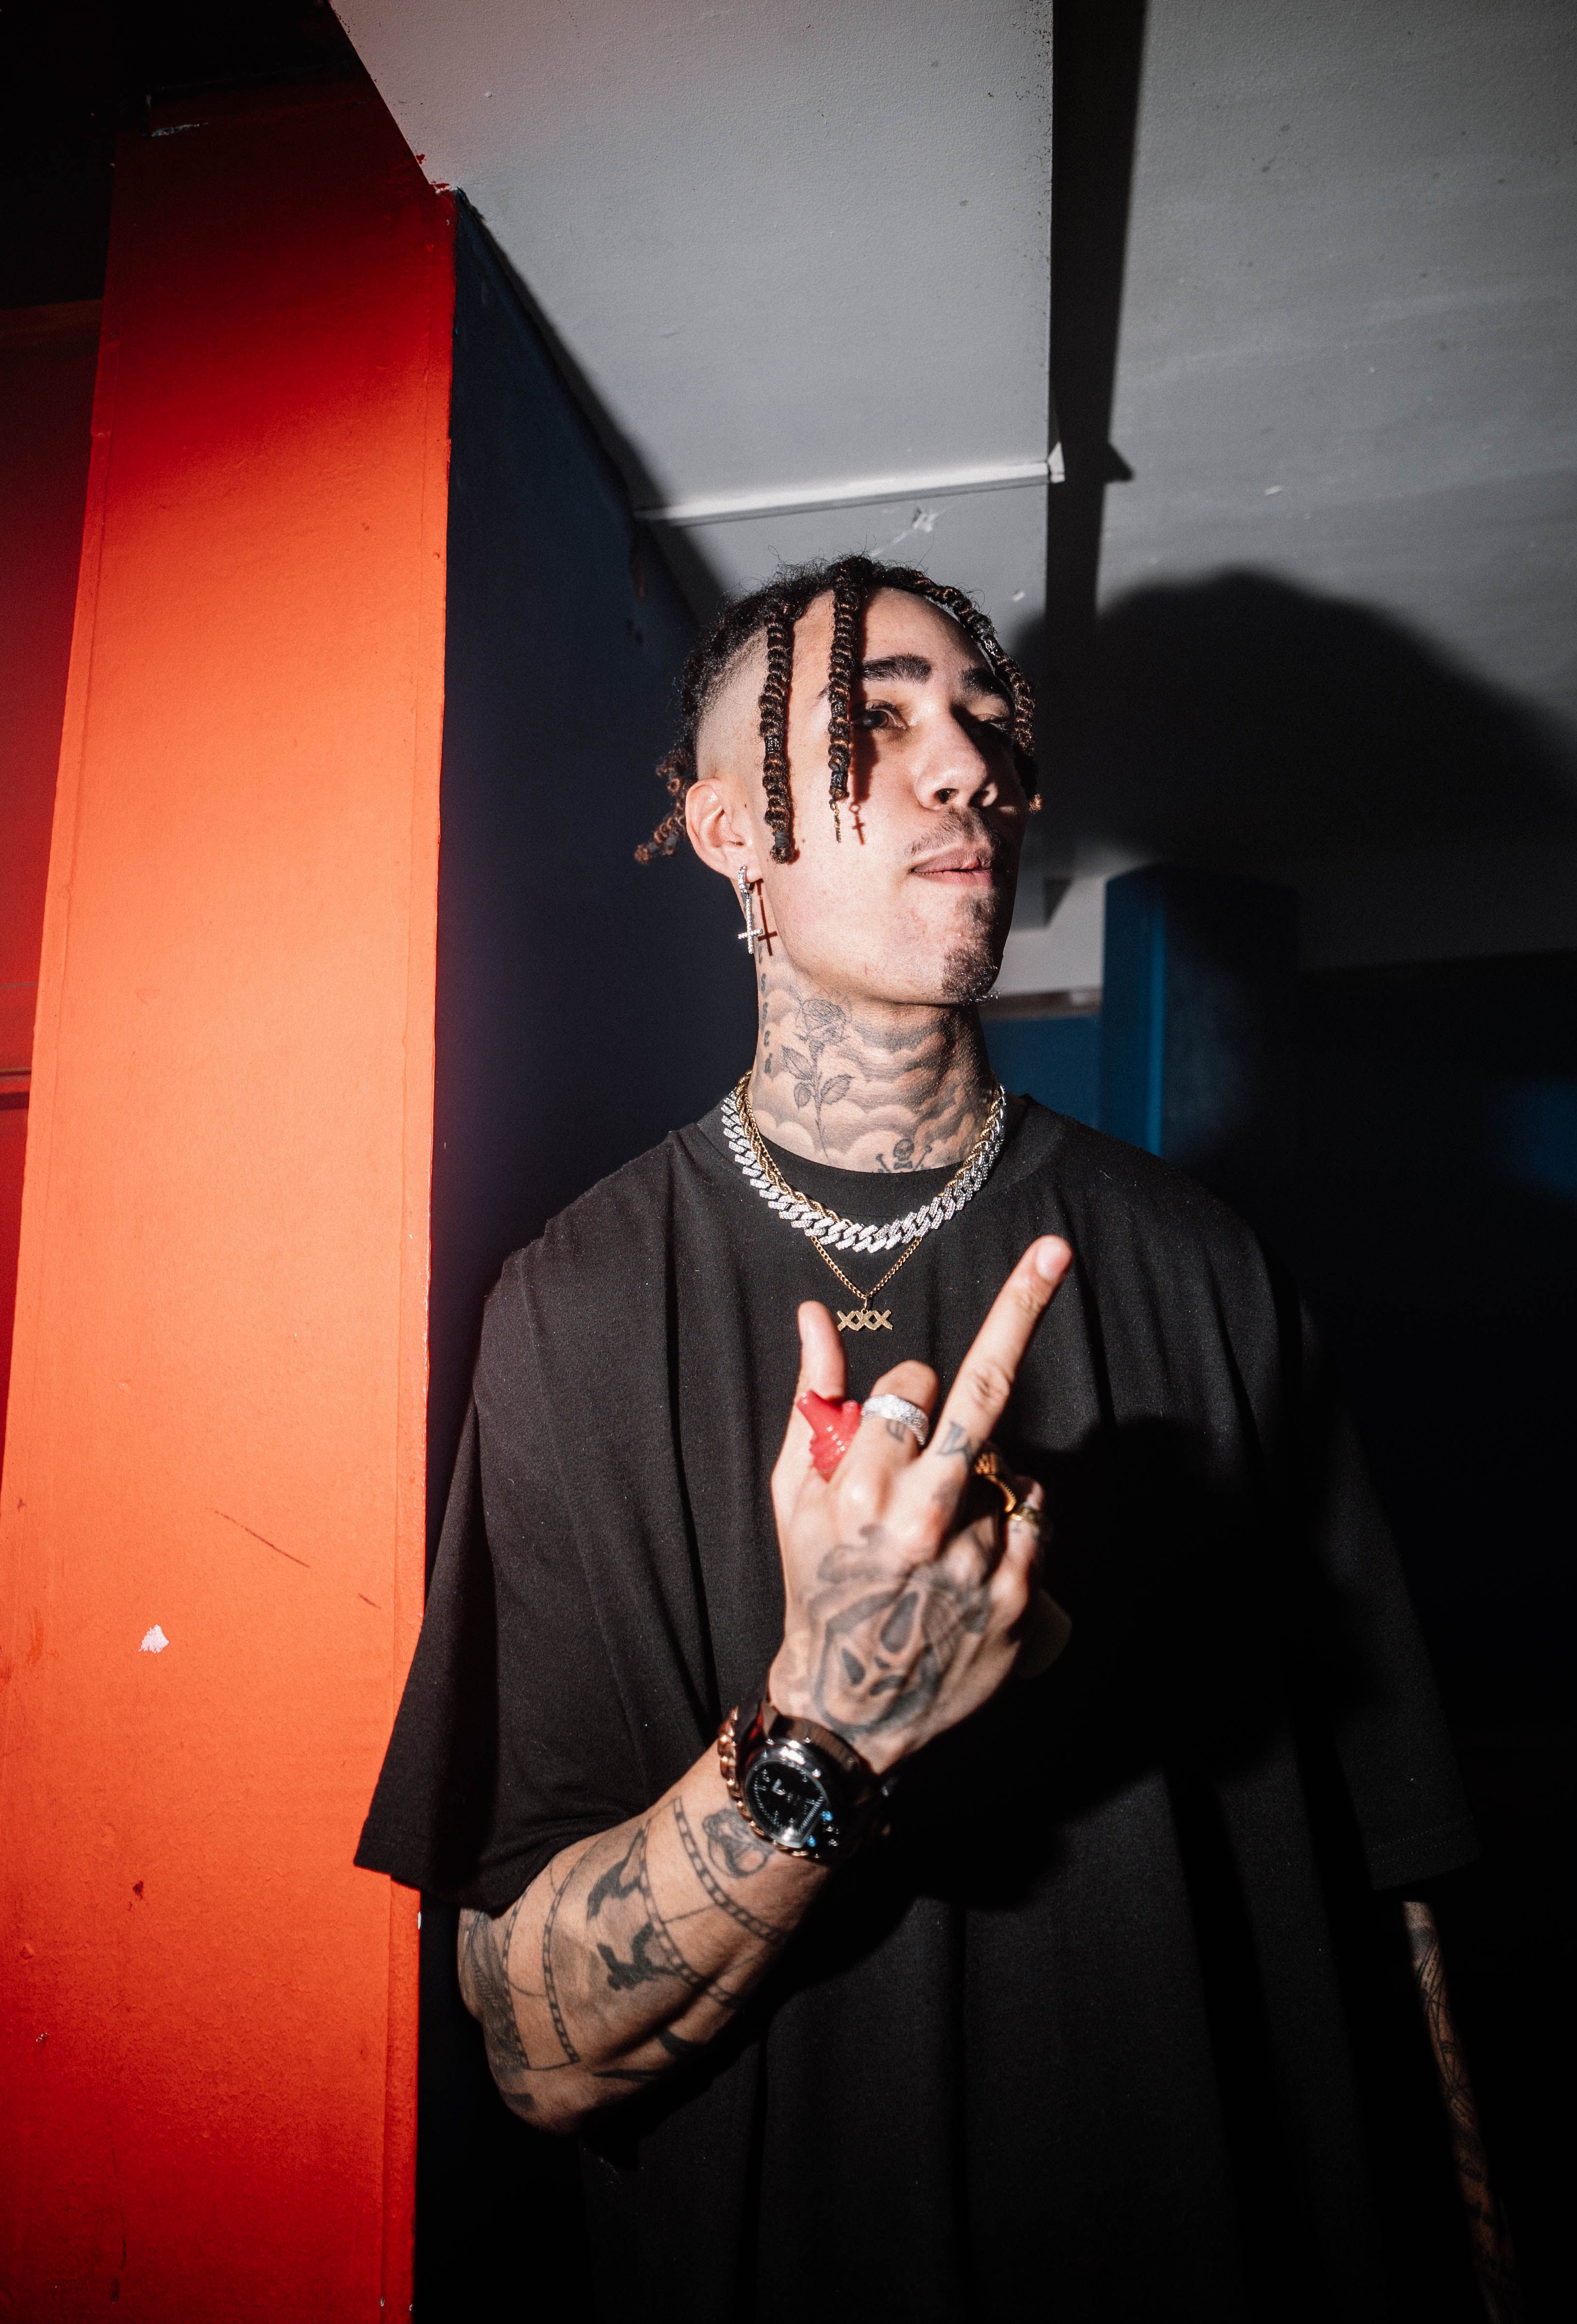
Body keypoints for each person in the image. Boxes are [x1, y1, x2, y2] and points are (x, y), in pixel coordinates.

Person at [357, 555, 1515, 2321]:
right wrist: (830, 1725)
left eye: (981, 724)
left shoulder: (1204, 1264)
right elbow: (538, 2048)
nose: (969, 766)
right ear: (729, 830)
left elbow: (1400, 1888)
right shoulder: (572, 1309)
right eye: (874, 724)